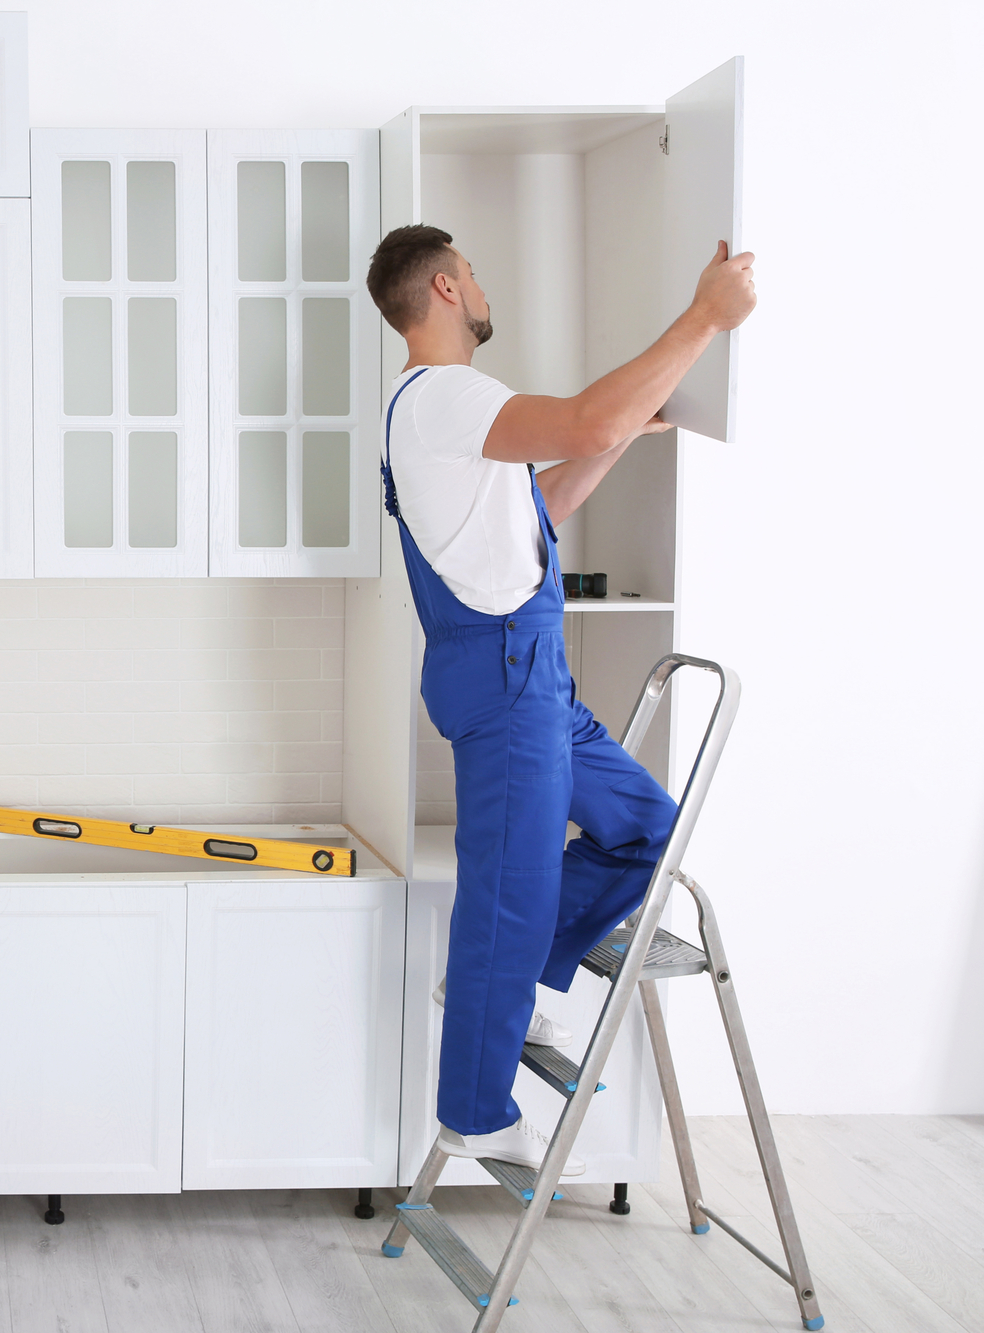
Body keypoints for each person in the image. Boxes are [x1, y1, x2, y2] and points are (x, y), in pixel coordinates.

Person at [366, 225, 757, 1171]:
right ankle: (474, 1110)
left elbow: (539, 505)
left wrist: (620, 433)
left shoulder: (437, 415)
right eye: (478, 273)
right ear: (449, 287)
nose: (485, 287)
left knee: (644, 829)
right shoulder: (449, 396)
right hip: (504, 677)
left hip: (523, 675)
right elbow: (582, 418)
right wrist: (704, 318)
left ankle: (496, 977)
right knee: (507, 892)